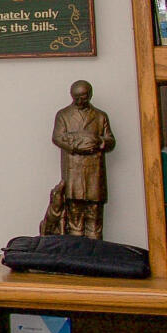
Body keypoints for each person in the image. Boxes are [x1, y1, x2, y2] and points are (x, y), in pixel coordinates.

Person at [44, 80, 113, 240]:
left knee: (94, 213)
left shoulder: (100, 116)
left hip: (95, 172)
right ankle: (76, 250)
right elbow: (57, 137)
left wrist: (99, 142)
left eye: (83, 97)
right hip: (73, 171)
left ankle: (95, 251)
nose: (80, 100)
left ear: (89, 95)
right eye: (77, 97)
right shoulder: (64, 115)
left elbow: (110, 140)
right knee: (74, 212)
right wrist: (77, 146)